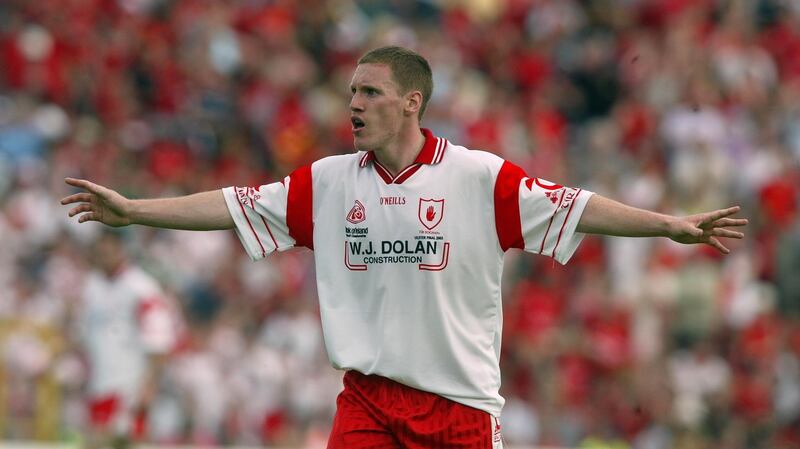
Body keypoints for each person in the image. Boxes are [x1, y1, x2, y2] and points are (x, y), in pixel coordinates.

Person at [62, 46, 747, 449]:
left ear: (411, 102)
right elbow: (236, 204)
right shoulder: (326, 183)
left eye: (371, 92)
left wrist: (667, 224)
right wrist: (134, 213)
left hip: (460, 410)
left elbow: (577, 206)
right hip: (367, 401)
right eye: (351, 91)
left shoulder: (480, 178)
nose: (353, 104)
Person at [77, 230, 180, 449]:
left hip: (129, 384)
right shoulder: (92, 286)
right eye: (100, 251)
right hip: (99, 382)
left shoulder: (141, 288)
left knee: (117, 441)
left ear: (122, 250)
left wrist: (149, 386)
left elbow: (160, 340)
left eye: (109, 250)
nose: (104, 255)